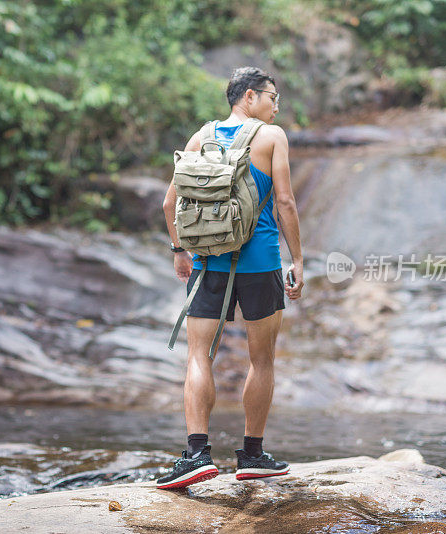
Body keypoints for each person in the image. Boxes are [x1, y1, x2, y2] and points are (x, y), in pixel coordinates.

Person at [157, 66, 304, 490]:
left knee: (198, 356)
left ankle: (196, 455)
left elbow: (171, 203)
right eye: (272, 97)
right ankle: (252, 455)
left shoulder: (201, 137)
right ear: (249, 97)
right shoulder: (272, 138)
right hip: (259, 262)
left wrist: (179, 250)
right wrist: (297, 259)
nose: (276, 106)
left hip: (206, 261)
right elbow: (286, 203)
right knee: (262, 360)